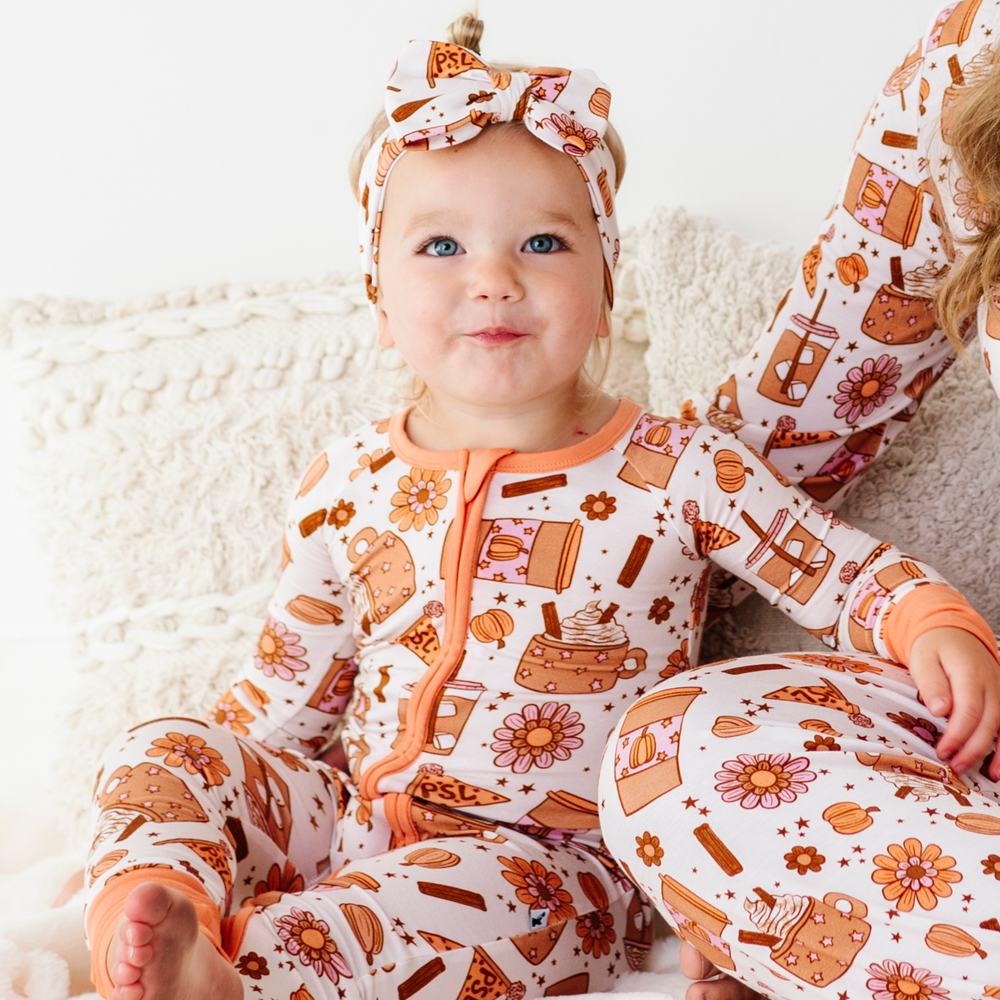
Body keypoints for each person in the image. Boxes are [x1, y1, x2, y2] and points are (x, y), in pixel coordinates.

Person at [83, 13, 1000, 1000]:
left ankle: (240, 975)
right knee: (160, 748)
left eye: (542, 241)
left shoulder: (678, 468)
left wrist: (927, 620)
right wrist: (226, 801)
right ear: (379, 302)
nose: (492, 277)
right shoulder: (340, 486)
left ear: (604, 292)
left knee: (402, 914)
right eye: (440, 244)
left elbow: (833, 566)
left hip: (545, 872)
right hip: (351, 813)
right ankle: (156, 905)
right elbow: (281, 708)